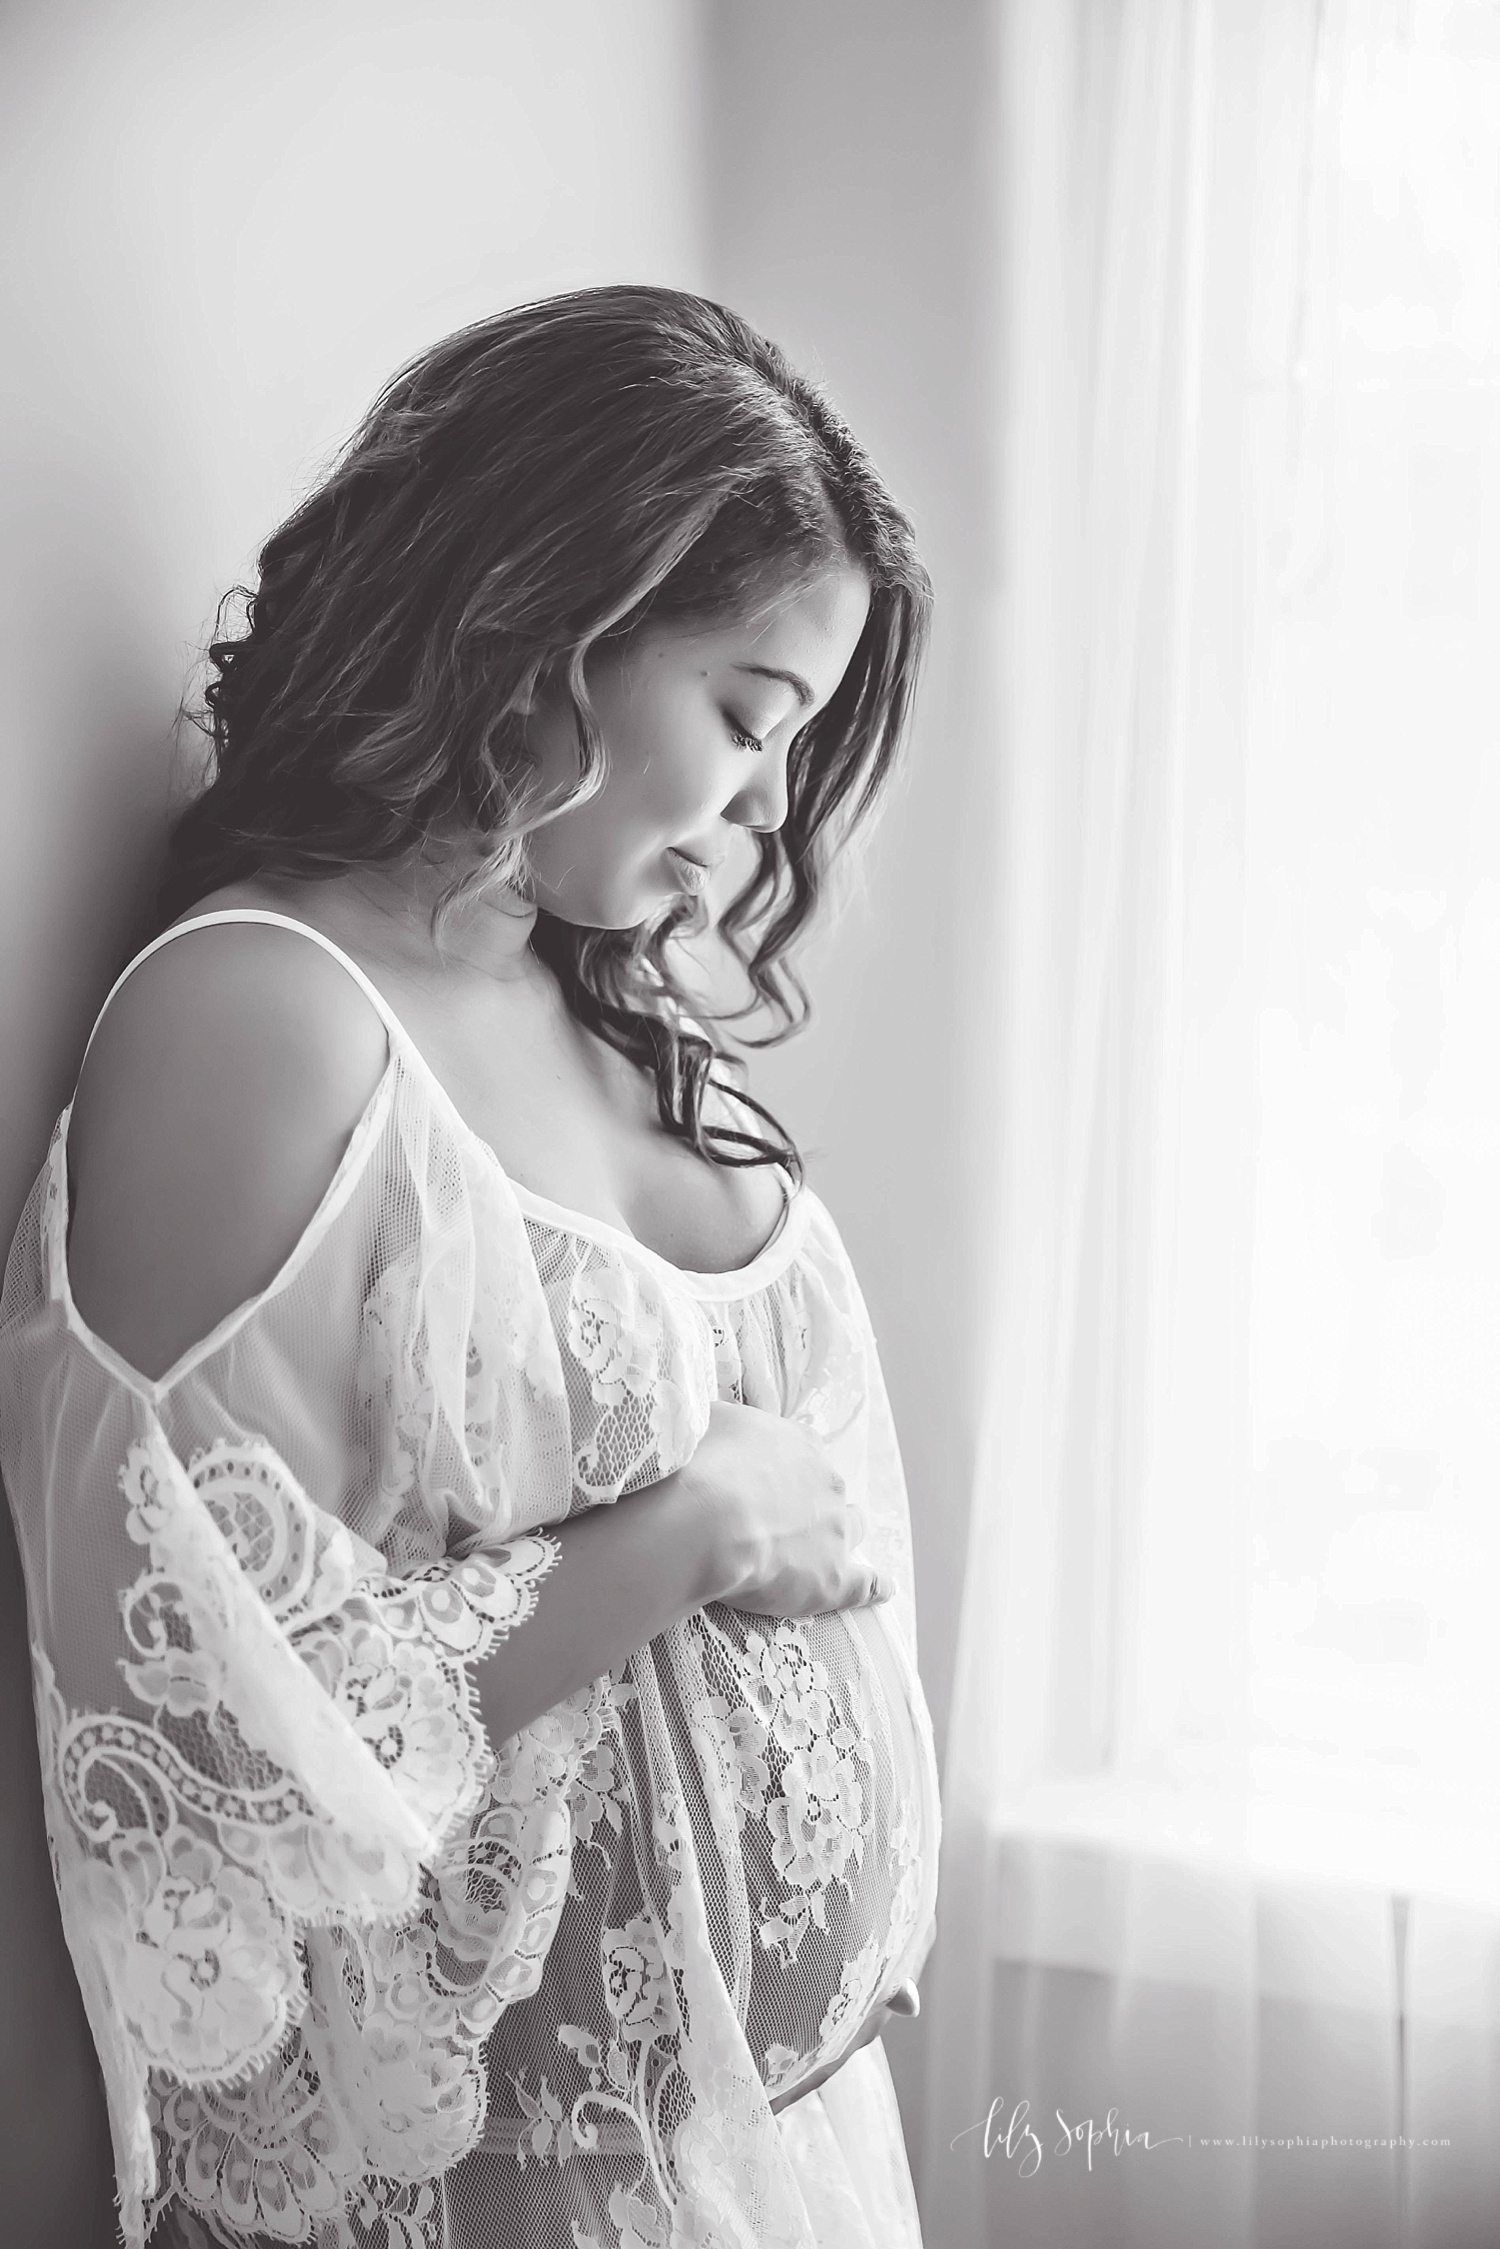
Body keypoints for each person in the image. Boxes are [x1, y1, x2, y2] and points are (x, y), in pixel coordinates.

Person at [0, 285, 942, 2249]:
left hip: (767, 2151)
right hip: (491, 2197)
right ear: (558, 622)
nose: (767, 807)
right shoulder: (263, 1020)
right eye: (752, 718)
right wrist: (695, 1527)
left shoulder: (594, 988)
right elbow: (221, 1721)